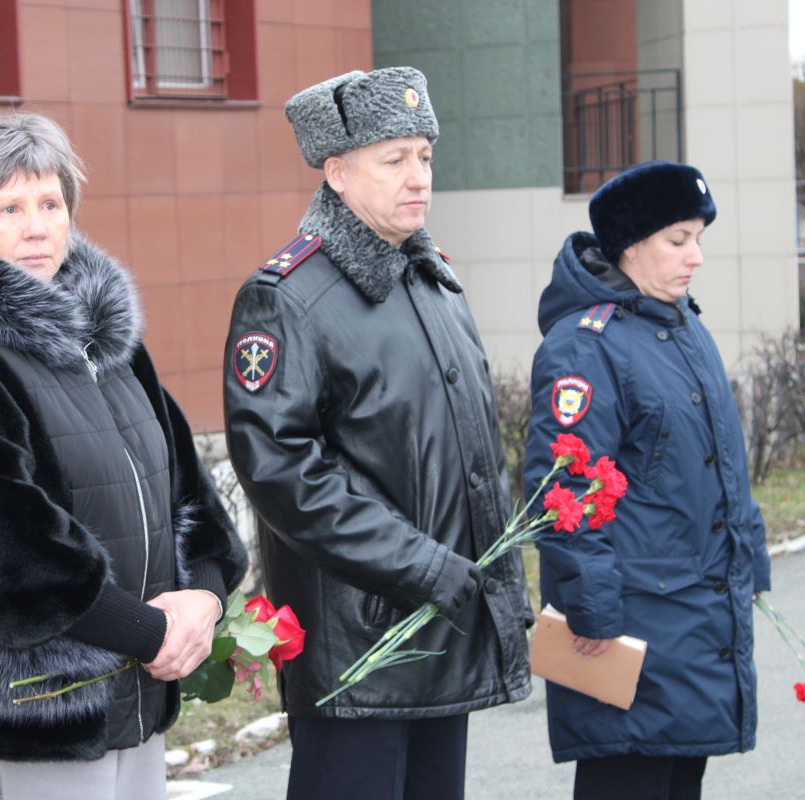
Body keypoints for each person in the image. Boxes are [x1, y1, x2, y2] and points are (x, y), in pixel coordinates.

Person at [0, 112, 247, 800]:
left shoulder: (109, 337)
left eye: (50, 204)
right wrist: (154, 632)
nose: (36, 227)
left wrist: (203, 596)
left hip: (142, 688)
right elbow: (12, 552)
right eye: (9, 208)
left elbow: (194, 497)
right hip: (45, 707)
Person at [223, 67, 532, 800]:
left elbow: (476, 455)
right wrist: (423, 566)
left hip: (441, 628)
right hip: (361, 645)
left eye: (423, 155)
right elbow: (281, 471)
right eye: (393, 159)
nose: (417, 176)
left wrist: (500, 588)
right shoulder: (286, 298)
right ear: (336, 171)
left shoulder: (432, 282)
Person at [523, 161, 771, 800]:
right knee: (628, 777)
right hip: (629, 626)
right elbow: (562, 494)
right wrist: (593, 612)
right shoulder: (586, 346)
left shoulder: (684, 327)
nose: (697, 257)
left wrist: (748, 562)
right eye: (679, 240)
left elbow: (723, 464)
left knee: (679, 777)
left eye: (699, 239)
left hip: (692, 617)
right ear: (631, 245)